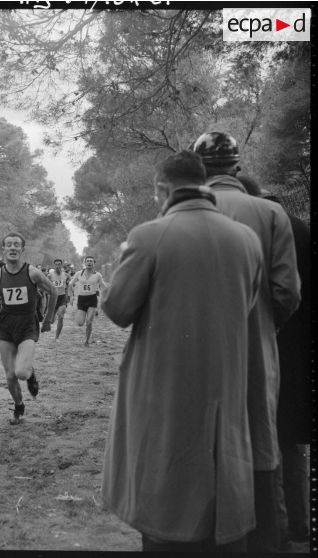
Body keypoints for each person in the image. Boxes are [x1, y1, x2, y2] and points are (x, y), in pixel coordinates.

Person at [101, 151, 264, 552]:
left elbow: (119, 310)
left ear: (162, 188)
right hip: (227, 383)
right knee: (221, 485)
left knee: (165, 502)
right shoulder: (247, 239)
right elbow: (247, 306)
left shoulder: (149, 235)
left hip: (165, 389)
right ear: (204, 183)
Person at [192, 131, 301, 552]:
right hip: (257, 346)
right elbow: (288, 293)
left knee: (204, 437)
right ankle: (264, 539)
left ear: (199, 170)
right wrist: (265, 328)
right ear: (238, 167)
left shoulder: (182, 214)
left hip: (199, 350)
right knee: (260, 435)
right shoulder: (272, 215)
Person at [237, 174, 311, 545]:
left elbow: (284, 292)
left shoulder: (261, 226)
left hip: (271, 342)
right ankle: (299, 524)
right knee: (292, 438)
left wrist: (268, 329)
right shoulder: (299, 226)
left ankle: (277, 529)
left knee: (268, 435)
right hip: (299, 346)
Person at [0, 233, 56, 424]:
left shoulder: (32, 273)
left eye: (17, 245)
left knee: (21, 372)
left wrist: (48, 319)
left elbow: (53, 291)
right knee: (10, 375)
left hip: (27, 325)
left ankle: (30, 373)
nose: (13, 248)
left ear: (22, 250)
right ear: (4, 249)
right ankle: (19, 405)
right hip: (5, 325)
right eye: (9, 245)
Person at [68, 256, 108, 346]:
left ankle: (87, 340)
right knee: (80, 323)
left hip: (92, 299)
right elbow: (70, 284)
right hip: (82, 299)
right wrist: (70, 296)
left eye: (91, 261)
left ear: (94, 263)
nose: (89, 262)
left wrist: (108, 293)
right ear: (85, 263)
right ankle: (87, 334)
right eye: (88, 261)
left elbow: (103, 286)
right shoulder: (78, 273)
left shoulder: (98, 275)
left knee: (89, 321)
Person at [44, 258, 71, 339]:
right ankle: (52, 317)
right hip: (53, 298)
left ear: (61, 265)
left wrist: (69, 296)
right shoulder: (50, 276)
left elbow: (70, 286)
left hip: (62, 298)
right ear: (54, 265)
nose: (57, 266)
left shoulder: (66, 275)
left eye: (59, 264)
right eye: (56, 264)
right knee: (51, 320)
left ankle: (57, 337)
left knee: (61, 316)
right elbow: (45, 286)